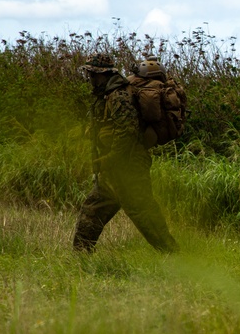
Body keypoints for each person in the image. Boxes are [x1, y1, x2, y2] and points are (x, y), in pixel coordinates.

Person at [73, 53, 179, 253]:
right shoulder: (106, 93)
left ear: (102, 74)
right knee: (92, 210)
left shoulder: (118, 95)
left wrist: (110, 159)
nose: (90, 79)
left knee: (143, 213)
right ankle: (79, 257)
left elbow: (127, 133)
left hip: (129, 166)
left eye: (92, 74)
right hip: (114, 168)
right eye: (89, 74)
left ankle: (173, 255)